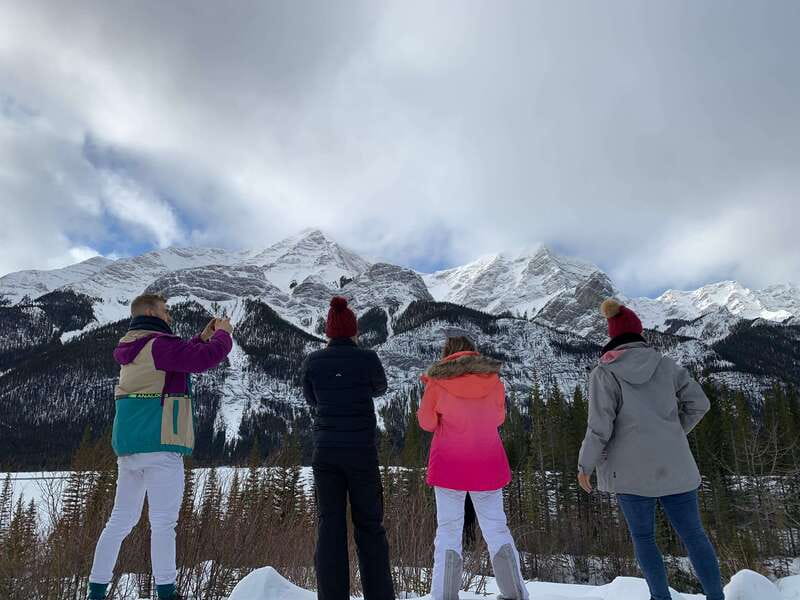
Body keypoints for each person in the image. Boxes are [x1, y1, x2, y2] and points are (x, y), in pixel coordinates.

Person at [87, 293, 233, 600]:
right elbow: (203, 360)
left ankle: (96, 590)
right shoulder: (159, 345)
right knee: (164, 524)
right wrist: (223, 335)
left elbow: (177, 357)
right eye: (166, 312)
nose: (169, 316)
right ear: (152, 311)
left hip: (129, 448)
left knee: (120, 521)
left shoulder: (132, 347)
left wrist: (201, 336)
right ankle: (167, 592)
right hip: (161, 443)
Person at [577, 299, 724, 600]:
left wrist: (584, 466)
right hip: (676, 466)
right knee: (694, 536)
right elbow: (700, 404)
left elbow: (600, 427)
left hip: (630, 472)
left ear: (612, 335)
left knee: (644, 538)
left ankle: (660, 598)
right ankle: (716, 597)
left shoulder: (604, 373)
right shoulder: (667, 365)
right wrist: (672, 433)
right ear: (638, 333)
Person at [418, 328, 529, 600]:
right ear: (473, 352)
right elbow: (499, 418)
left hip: (449, 467)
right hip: (488, 465)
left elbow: (426, 422)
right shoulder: (493, 382)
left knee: (448, 531)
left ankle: (444, 595)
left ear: (448, 354)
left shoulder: (438, 383)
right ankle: (515, 593)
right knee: (496, 527)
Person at [300, 296, 395, 600]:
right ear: (355, 331)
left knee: (330, 527)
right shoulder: (367, 359)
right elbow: (380, 388)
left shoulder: (313, 361)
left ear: (328, 332)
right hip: (361, 452)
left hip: (325, 453)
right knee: (370, 526)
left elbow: (312, 399)